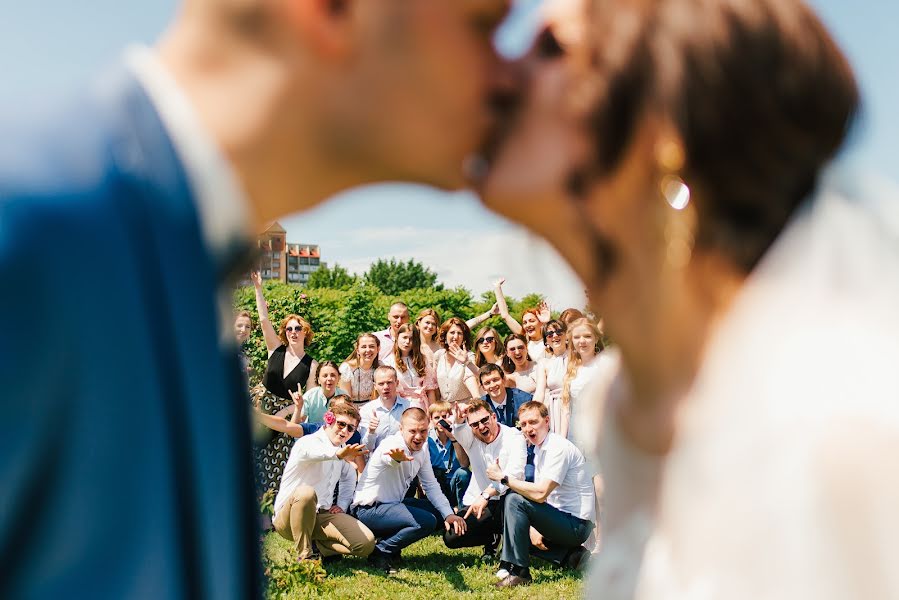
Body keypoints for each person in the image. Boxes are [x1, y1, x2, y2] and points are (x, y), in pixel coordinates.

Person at [1, 0, 521, 594]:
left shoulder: (193, 269)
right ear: (330, 11)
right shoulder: (29, 233)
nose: (509, 73)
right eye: (482, 25)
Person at [482, 0, 899, 598]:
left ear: (661, 133)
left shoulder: (846, 432)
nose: (501, 68)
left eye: (549, 49)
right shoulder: (620, 402)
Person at [487, 401, 595, 588]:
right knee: (517, 532)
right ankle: (574, 557)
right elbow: (538, 494)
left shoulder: (558, 447)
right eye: (524, 424)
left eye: (533, 422)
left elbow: (540, 494)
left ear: (547, 421)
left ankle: (519, 572)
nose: (528, 428)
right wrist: (532, 527)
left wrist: (503, 478)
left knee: (513, 499)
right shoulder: (539, 448)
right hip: (559, 518)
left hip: (576, 525)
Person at [351, 408, 467, 574]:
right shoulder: (392, 444)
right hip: (367, 510)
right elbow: (388, 458)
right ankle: (381, 551)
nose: (418, 436)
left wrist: (449, 514)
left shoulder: (424, 448)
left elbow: (431, 485)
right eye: (412, 431)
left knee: (439, 513)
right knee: (426, 521)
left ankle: (391, 544)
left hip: (393, 505)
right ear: (401, 429)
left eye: (423, 431)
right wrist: (396, 459)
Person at [273, 403, 374, 563]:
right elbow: (317, 453)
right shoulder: (307, 442)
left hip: (322, 514)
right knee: (305, 493)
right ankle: (305, 556)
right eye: (341, 424)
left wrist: (341, 504)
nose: (344, 431)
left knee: (366, 544)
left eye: (350, 428)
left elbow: (349, 478)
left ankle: (318, 547)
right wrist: (338, 454)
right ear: (329, 420)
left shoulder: (343, 450)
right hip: (288, 518)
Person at [444, 400, 527, 562]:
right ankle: (493, 537)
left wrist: (486, 495)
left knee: (523, 533)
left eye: (484, 420)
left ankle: (509, 538)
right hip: (482, 505)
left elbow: (514, 473)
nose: (481, 427)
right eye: (475, 424)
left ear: (494, 417)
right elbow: (460, 428)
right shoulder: (470, 439)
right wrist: (460, 417)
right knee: (451, 536)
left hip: (510, 501)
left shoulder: (514, 437)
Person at [558, 318, 602, 440]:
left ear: (596, 338)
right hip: (576, 437)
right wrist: (562, 440)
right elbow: (566, 411)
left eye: (587, 336)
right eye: (576, 337)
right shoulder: (571, 371)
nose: (582, 341)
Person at [427, 401, 472, 510]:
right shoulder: (427, 439)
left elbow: (464, 464)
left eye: (444, 416)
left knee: (463, 473)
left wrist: (453, 439)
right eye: (436, 418)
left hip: (453, 481)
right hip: (436, 484)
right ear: (431, 420)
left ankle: (462, 510)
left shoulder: (457, 433)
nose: (441, 421)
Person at [382, 323, 437, 410]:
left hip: (421, 404)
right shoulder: (389, 362)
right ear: (397, 338)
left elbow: (430, 390)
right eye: (404, 337)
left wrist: (433, 412)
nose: (407, 342)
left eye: (411, 339)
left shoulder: (422, 360)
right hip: (398, 405)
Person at [493, 278, 551, 359]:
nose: (528, 325)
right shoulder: (524, 340)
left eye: (532, 321)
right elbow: (505, 316)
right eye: (525, 322)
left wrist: (546, 322)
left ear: (540, 321)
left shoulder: (551, 339)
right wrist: (497, 288)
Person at [359, 366, 410, 452]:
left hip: (404, 460)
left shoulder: (409, 407)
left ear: (397, 383)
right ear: (375, 386)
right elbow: (366, 448)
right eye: (381, 384)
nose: (386, 387)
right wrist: (371, 432)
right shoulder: (367, 410)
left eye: (389, 382)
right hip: (377, 461)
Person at [433, 317, 481, 403]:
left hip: (464, 407)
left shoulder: (469, 356)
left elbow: (470, 378)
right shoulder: (438, 355)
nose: (455, 336)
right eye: (452, 332)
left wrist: (477, 398)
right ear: (445, 335)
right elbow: (434, 385)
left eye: (460, 333)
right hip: (444, 410)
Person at [532, 320, 569, 434]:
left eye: (558, 331)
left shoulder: (577, 357)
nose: (555, 336)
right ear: (546, 340)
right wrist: (532, 414)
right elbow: (539, 393)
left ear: (566, 335)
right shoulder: (544, 363)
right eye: (550, 334)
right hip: (556, 410)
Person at [478, 363, 533, 428]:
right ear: (483, 387)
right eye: (487, 383)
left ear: (503, 379)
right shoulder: (480, 407)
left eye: (495, 380)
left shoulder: (524, 400)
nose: (492, 385)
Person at [339, 333, 381, 406]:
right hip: (352, 408)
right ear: (357, 350)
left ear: (378, 349)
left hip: (374, 407)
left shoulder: (381, 367)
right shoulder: (347, 369)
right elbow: (345, 399)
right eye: (364, 347)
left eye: (371, 346)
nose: (368, 350)